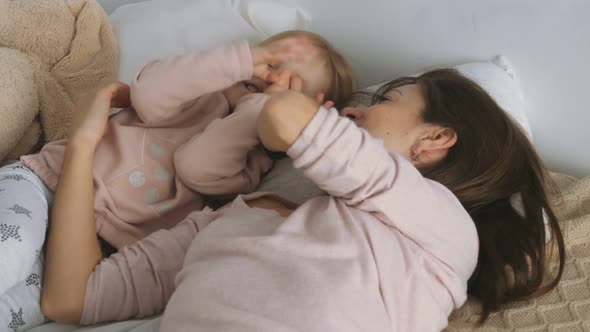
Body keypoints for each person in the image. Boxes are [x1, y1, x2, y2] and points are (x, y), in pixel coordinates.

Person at [42, 68, 564, 331]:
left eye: (383, 102)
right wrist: (83, 144)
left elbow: (288, 118)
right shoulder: (232, 217)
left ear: (434, 140)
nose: (355, 113)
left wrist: (267, 103)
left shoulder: (438, 223)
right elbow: (73, 298)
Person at [0, 30, 353, 332]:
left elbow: (195, 165)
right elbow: (148, 90)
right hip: (45, 183)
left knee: (17, 312)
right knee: (9, 253)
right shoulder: (198, 92)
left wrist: (262, 110)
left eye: (292, 88)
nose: (273, 80)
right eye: (273, 64)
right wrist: (242, 60)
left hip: (89, 248)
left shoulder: (250, 166)